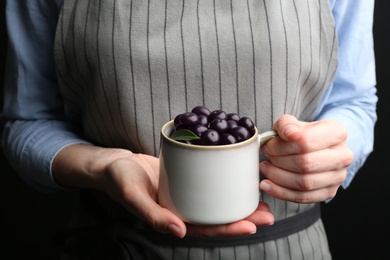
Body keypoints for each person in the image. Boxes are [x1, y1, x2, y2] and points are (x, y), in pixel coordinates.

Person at [1, 0, 377, 259]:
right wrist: (104, 165)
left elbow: (354, 104)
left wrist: (328, 151)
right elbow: (28, 122)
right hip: (117, 247)